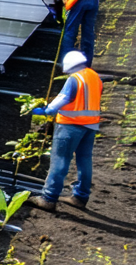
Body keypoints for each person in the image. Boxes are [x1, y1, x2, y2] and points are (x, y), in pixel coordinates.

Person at [30, 50, 101, 212]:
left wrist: (45, 110)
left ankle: (48, 198)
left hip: (70, 125)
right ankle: (80, 197)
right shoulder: (94, 76)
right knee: (84, 160)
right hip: (90, 125)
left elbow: (64, 98)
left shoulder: (75, 78)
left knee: (60, 159)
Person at [42, 0, 98, 67]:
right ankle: (87, 66)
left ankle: (66, 65)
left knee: (70, 32)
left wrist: (57, 16)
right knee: (88, 34)